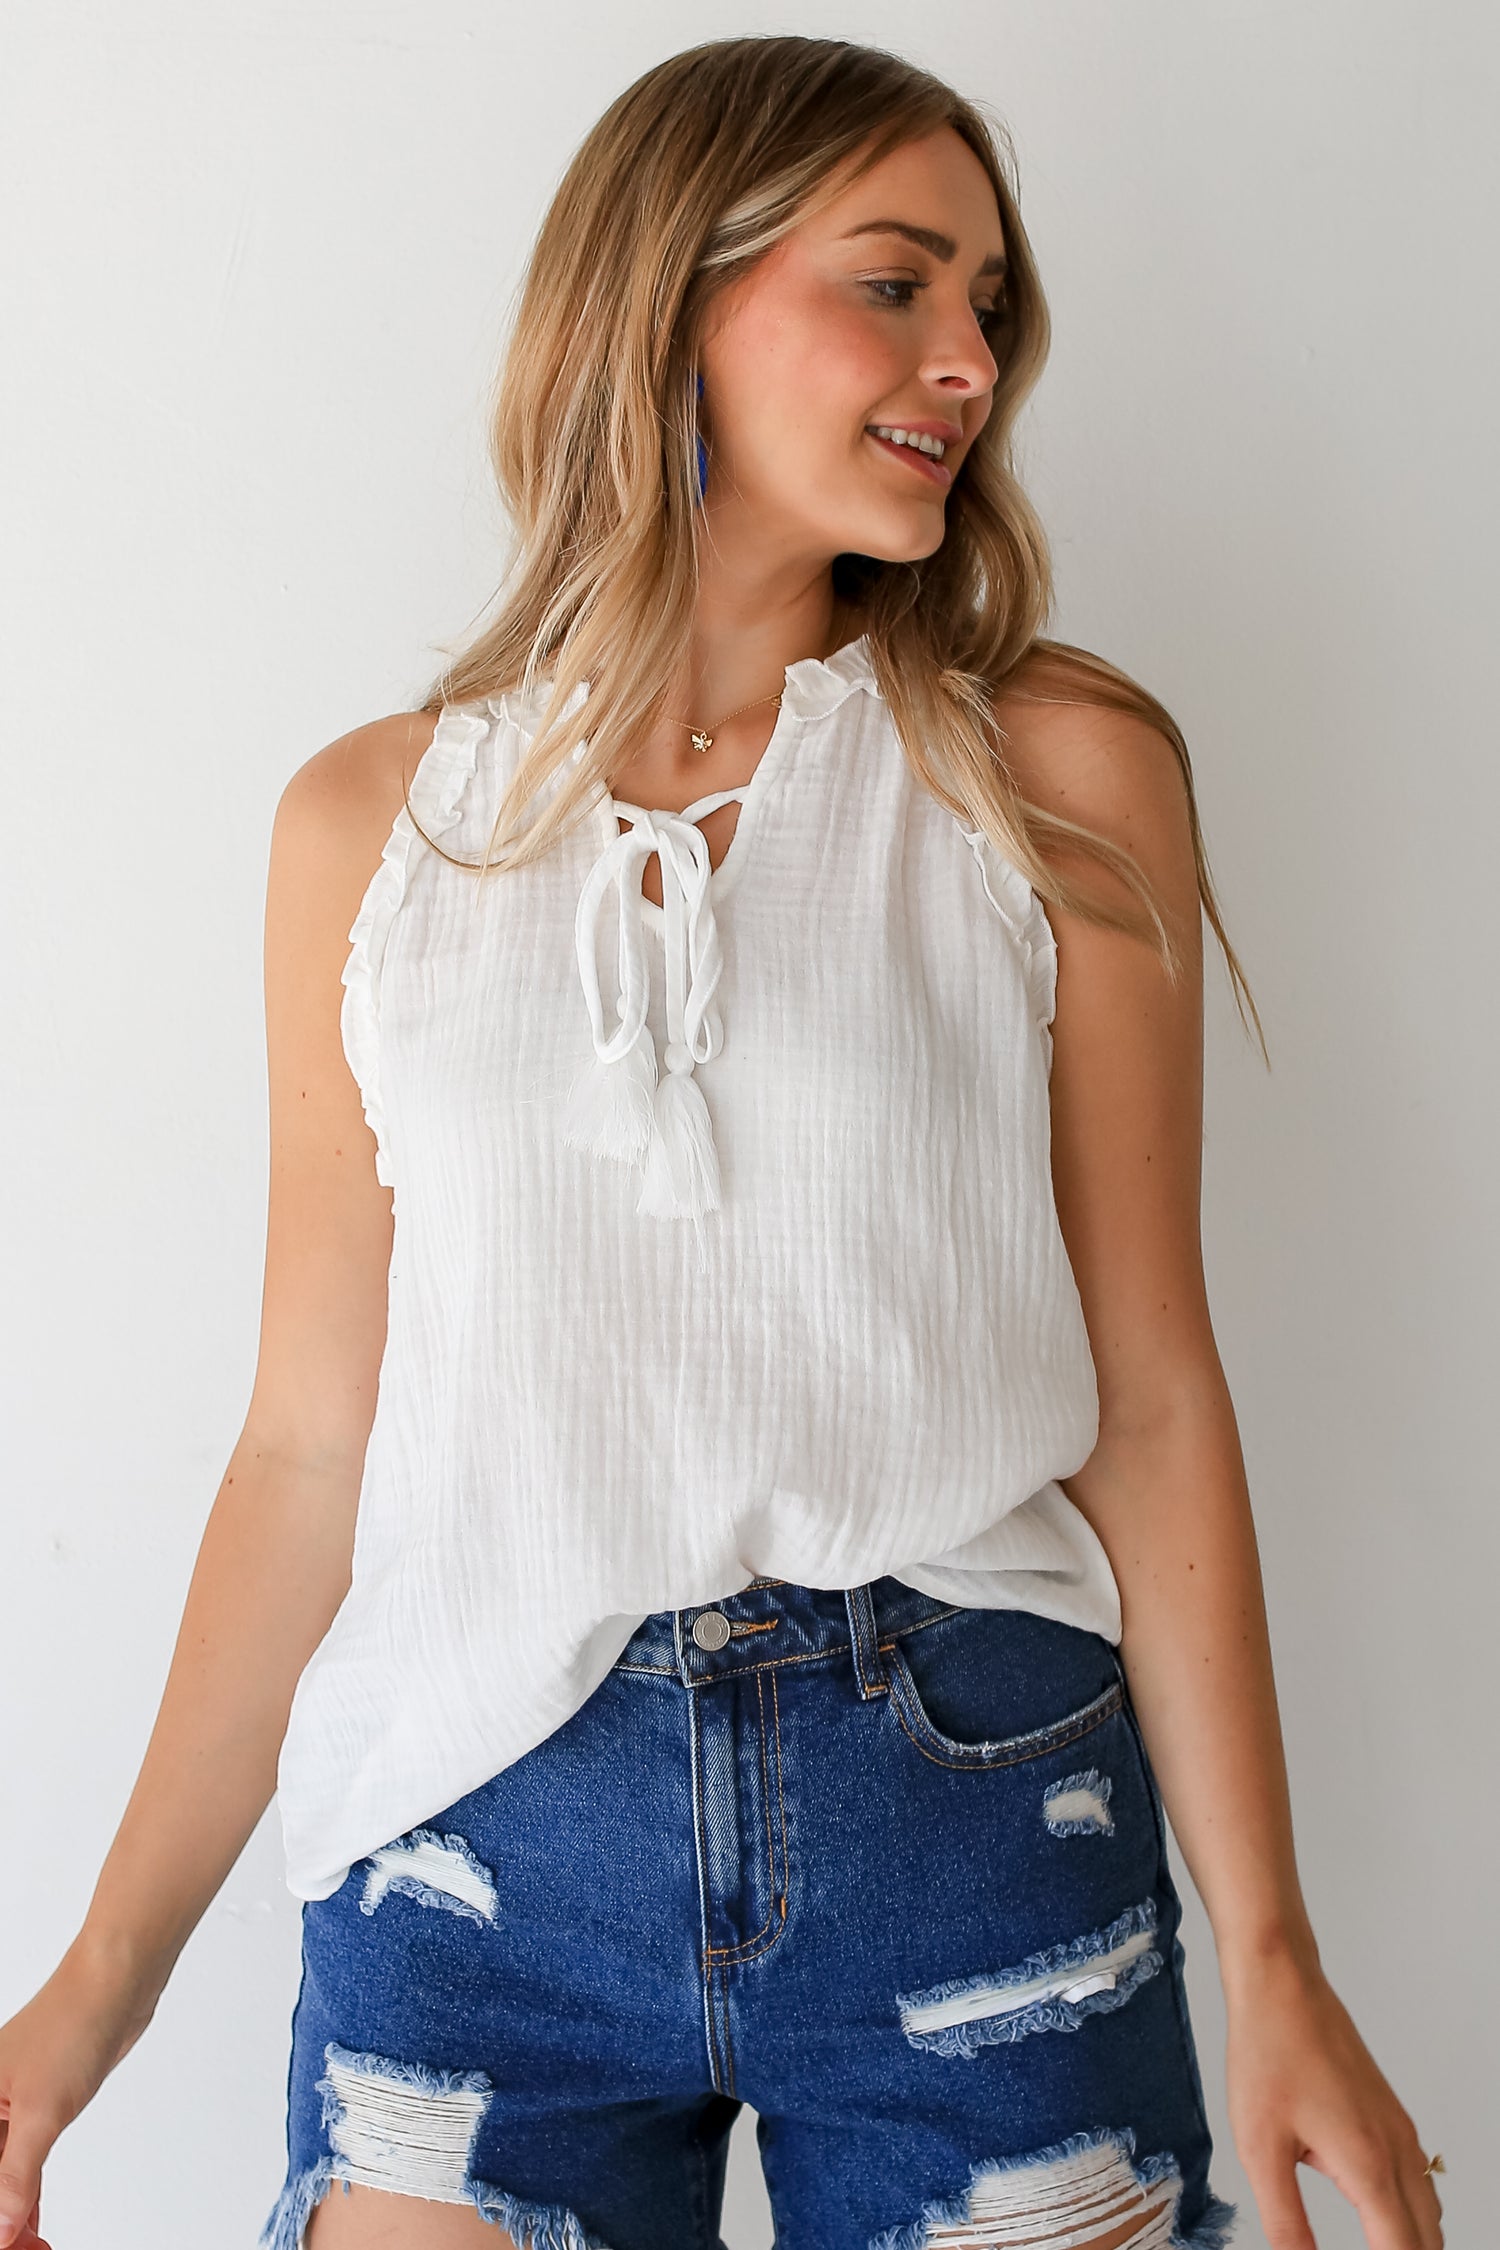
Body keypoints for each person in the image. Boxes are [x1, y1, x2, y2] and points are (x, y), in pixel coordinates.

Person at [0, 34, 1445, 2250]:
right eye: (896, 282)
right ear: (672, 297)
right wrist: (90, 1994)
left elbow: (1150, 1392)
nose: (969, 360)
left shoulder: (1051, 779)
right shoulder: (373, 832)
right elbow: (308, 1446)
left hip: (965, 1812)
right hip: (476, 1845)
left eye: (988, 304)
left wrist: (1274, 1958)